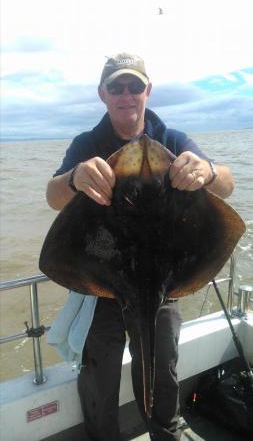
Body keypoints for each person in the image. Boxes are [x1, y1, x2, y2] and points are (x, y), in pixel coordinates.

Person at [46, 53, 234, 441]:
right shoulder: (87, 143)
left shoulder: (173, 139)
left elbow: (227, 185)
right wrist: (75, 177)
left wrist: (206, 171)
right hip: (106, 282)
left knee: (161, 362)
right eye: (117, 87)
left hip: (165, 278)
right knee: (99, 369)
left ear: (148, 90)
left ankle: (164, 432)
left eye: (134, 86)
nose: (126, 94)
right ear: (103, 94)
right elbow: (52, 196)